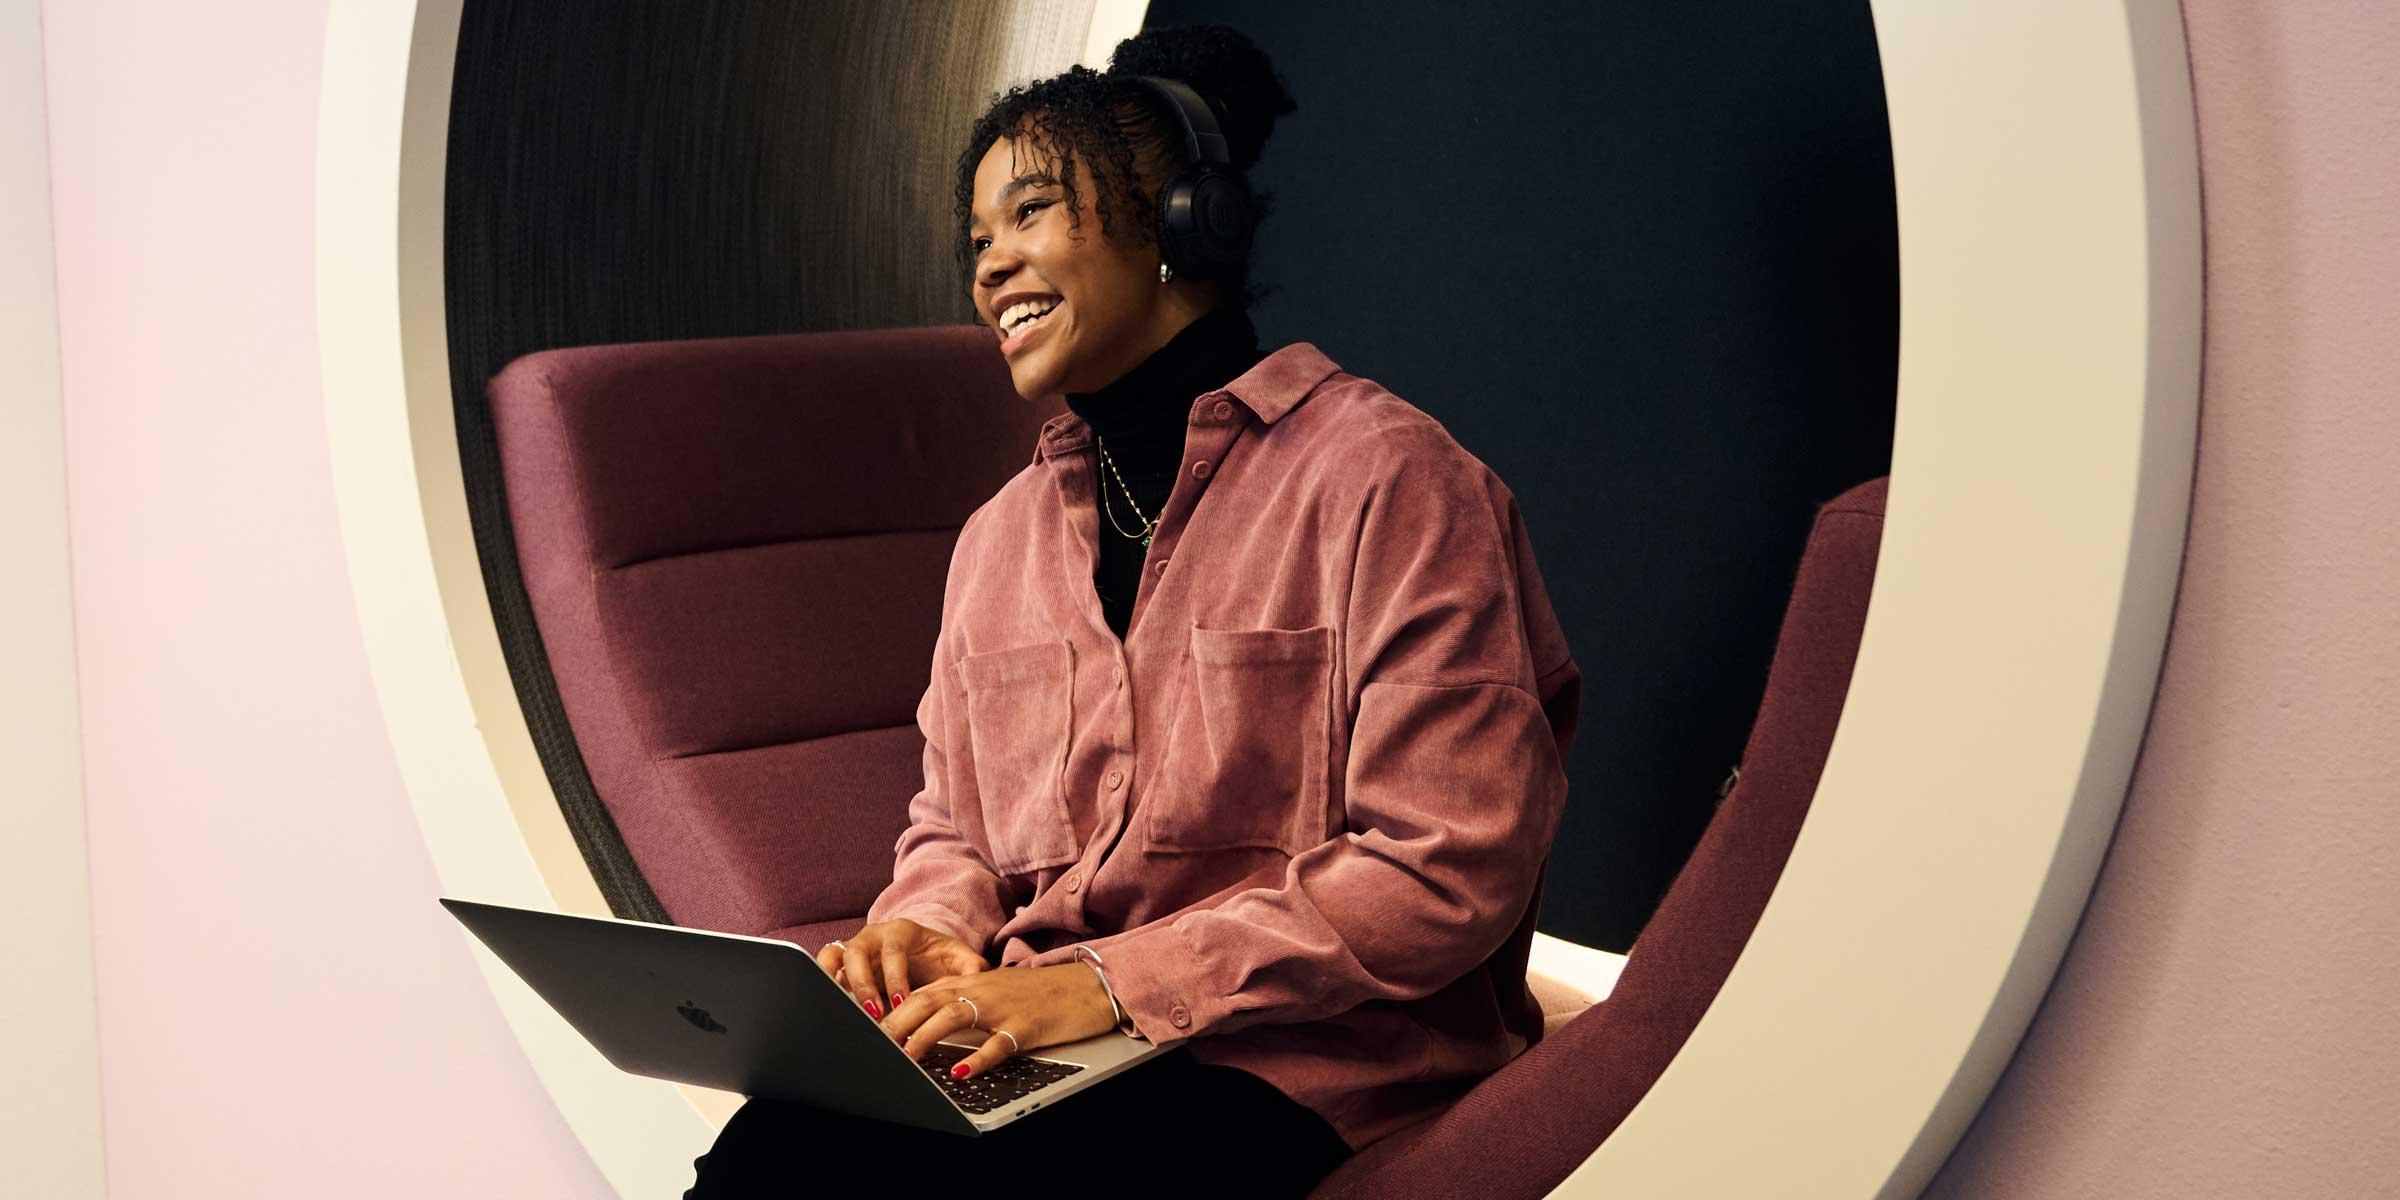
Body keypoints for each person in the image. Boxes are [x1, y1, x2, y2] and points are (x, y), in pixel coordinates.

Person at [687, 24, 1579, 1198]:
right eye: (978, 239)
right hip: (1045, 1041)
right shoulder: (996, 539)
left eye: (1033, 213)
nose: (992, 265)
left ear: (1177, 223)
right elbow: (954, 824)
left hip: (1306, 1067)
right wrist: (931, 924)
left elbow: (1443, 868)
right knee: (776, 1149)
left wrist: (1109, 987)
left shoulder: (1395, 482)